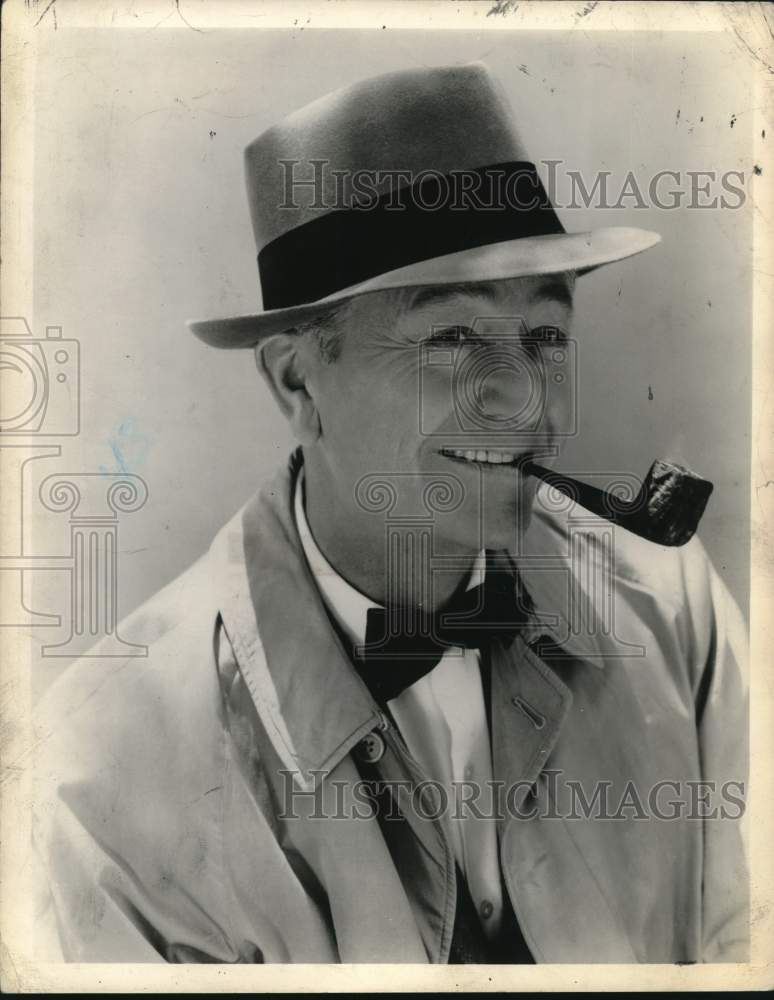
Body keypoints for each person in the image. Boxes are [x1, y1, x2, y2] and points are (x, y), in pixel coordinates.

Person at [33, 62, 748, 964]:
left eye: (547, 335)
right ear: (298, 380)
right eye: (450, 336)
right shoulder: (104, 769)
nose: (527, 404)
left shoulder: (674, 612)